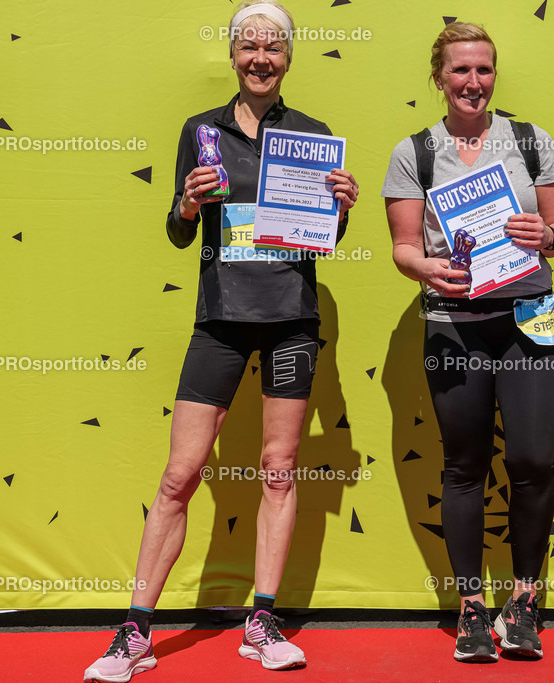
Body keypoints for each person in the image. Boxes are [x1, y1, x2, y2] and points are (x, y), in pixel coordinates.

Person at [84, 2, 359, 681]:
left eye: (272, 47)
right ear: (233, 56)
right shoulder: (199, 130)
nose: (259, 57)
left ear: (288, 58)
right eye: (248, 46)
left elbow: (322, 239)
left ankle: (261, 620)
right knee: (180, 475)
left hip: (292, 317)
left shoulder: (313, 134)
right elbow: (180, 232)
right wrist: (184, 203)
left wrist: (339, 208)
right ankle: (134, 632)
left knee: (277, 467)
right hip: (221, 317)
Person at [382, 22, 554, 663]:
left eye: (484, 70)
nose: (473, 82)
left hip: (531, 315)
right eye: (461, 70)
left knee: (533, 462)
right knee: (464, 465)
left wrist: (546, 238)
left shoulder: (530, 140)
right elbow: (405, 247)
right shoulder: (415, 153)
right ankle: (470, 608)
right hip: (454, 323)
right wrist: (426, 268)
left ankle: (524, 600)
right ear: (439, 78)